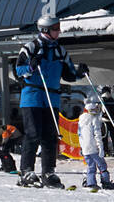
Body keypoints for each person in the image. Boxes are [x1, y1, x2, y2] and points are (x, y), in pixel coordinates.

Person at [13, 15, 87, 188]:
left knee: (50, 136)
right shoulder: (31, 47)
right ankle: (26, 171)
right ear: (45, 30)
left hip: (52, 98)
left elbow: (68, 74)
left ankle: (48, 172)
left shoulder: (60, 51)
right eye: (55, 28)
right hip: (33, 96)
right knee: (33, 134)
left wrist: (80, 72)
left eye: (59, 28)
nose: (58, 31)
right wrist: (31, 66)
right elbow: (18, 71)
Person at [78, 96, 114, 190]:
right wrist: (100, 148)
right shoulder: (94, 119)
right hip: (94, 148)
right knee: (102, 164)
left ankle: (91, 182)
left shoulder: (81, 120)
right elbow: (97, 135)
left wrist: (82, 147)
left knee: (91, 165)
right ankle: (106, 181)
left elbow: (80, 134)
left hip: (85, 148)